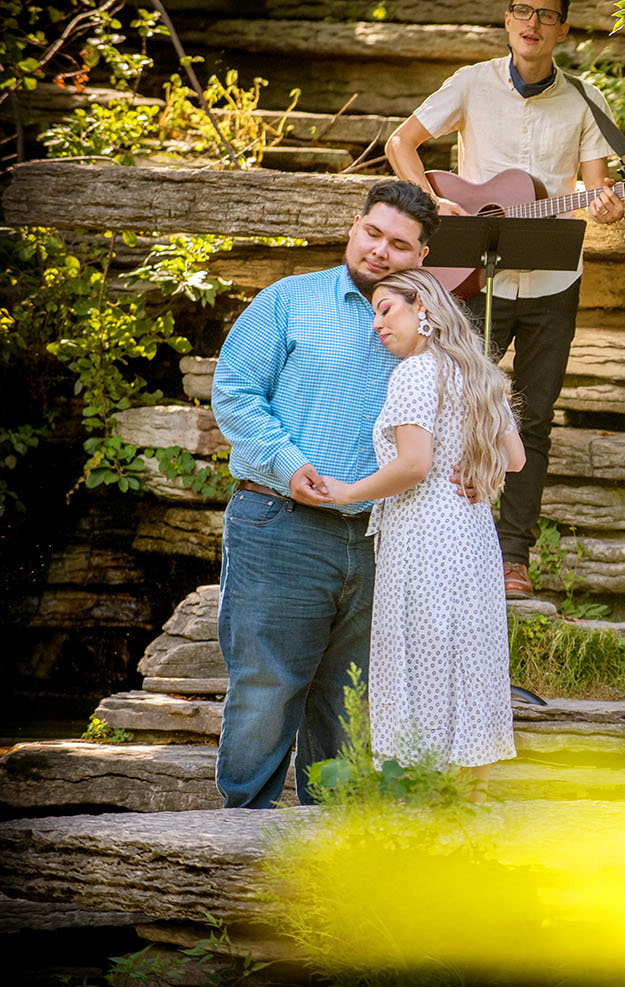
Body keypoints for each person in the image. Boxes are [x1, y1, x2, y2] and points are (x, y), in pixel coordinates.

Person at [384, 0, 625, 600]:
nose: (531, 24)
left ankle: (512, 558)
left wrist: (605, 205)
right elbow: (403, 143)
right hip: (472, 278)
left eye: (545, 15)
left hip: (554, 280)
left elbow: (592, 187)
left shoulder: (585, 101)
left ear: (562, 28)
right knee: (449, 399)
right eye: (521, 11)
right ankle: (434, 538)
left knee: (532, 419)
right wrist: (433, 206)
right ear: (507, 19)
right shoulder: (471, 84)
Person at [211, 179, 439, 809]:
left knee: (349, 696)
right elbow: (234, 393)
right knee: (266, 687)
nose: (379, 251)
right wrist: (289, 464)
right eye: (372, 233)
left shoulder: (430, 327)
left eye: (399, 244)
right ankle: (236, 845)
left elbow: (458, 403)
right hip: (281, 522)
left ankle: (334, 853)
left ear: (421, 257)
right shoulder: (289, 300)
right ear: (354, 225)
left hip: (379, 537)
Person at [320, 268, 525, 783]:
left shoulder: (415, 373)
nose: (376, 325)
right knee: (464, 662)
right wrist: (481, 472)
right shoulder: (475, 372)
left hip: (425, 539)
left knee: (421, 664)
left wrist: (347, 492)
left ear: (424, 308)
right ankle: (468, 814)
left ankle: (421, 810)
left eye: (386, 309)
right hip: (472, 538)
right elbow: (516, 458)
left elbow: (414, 466)